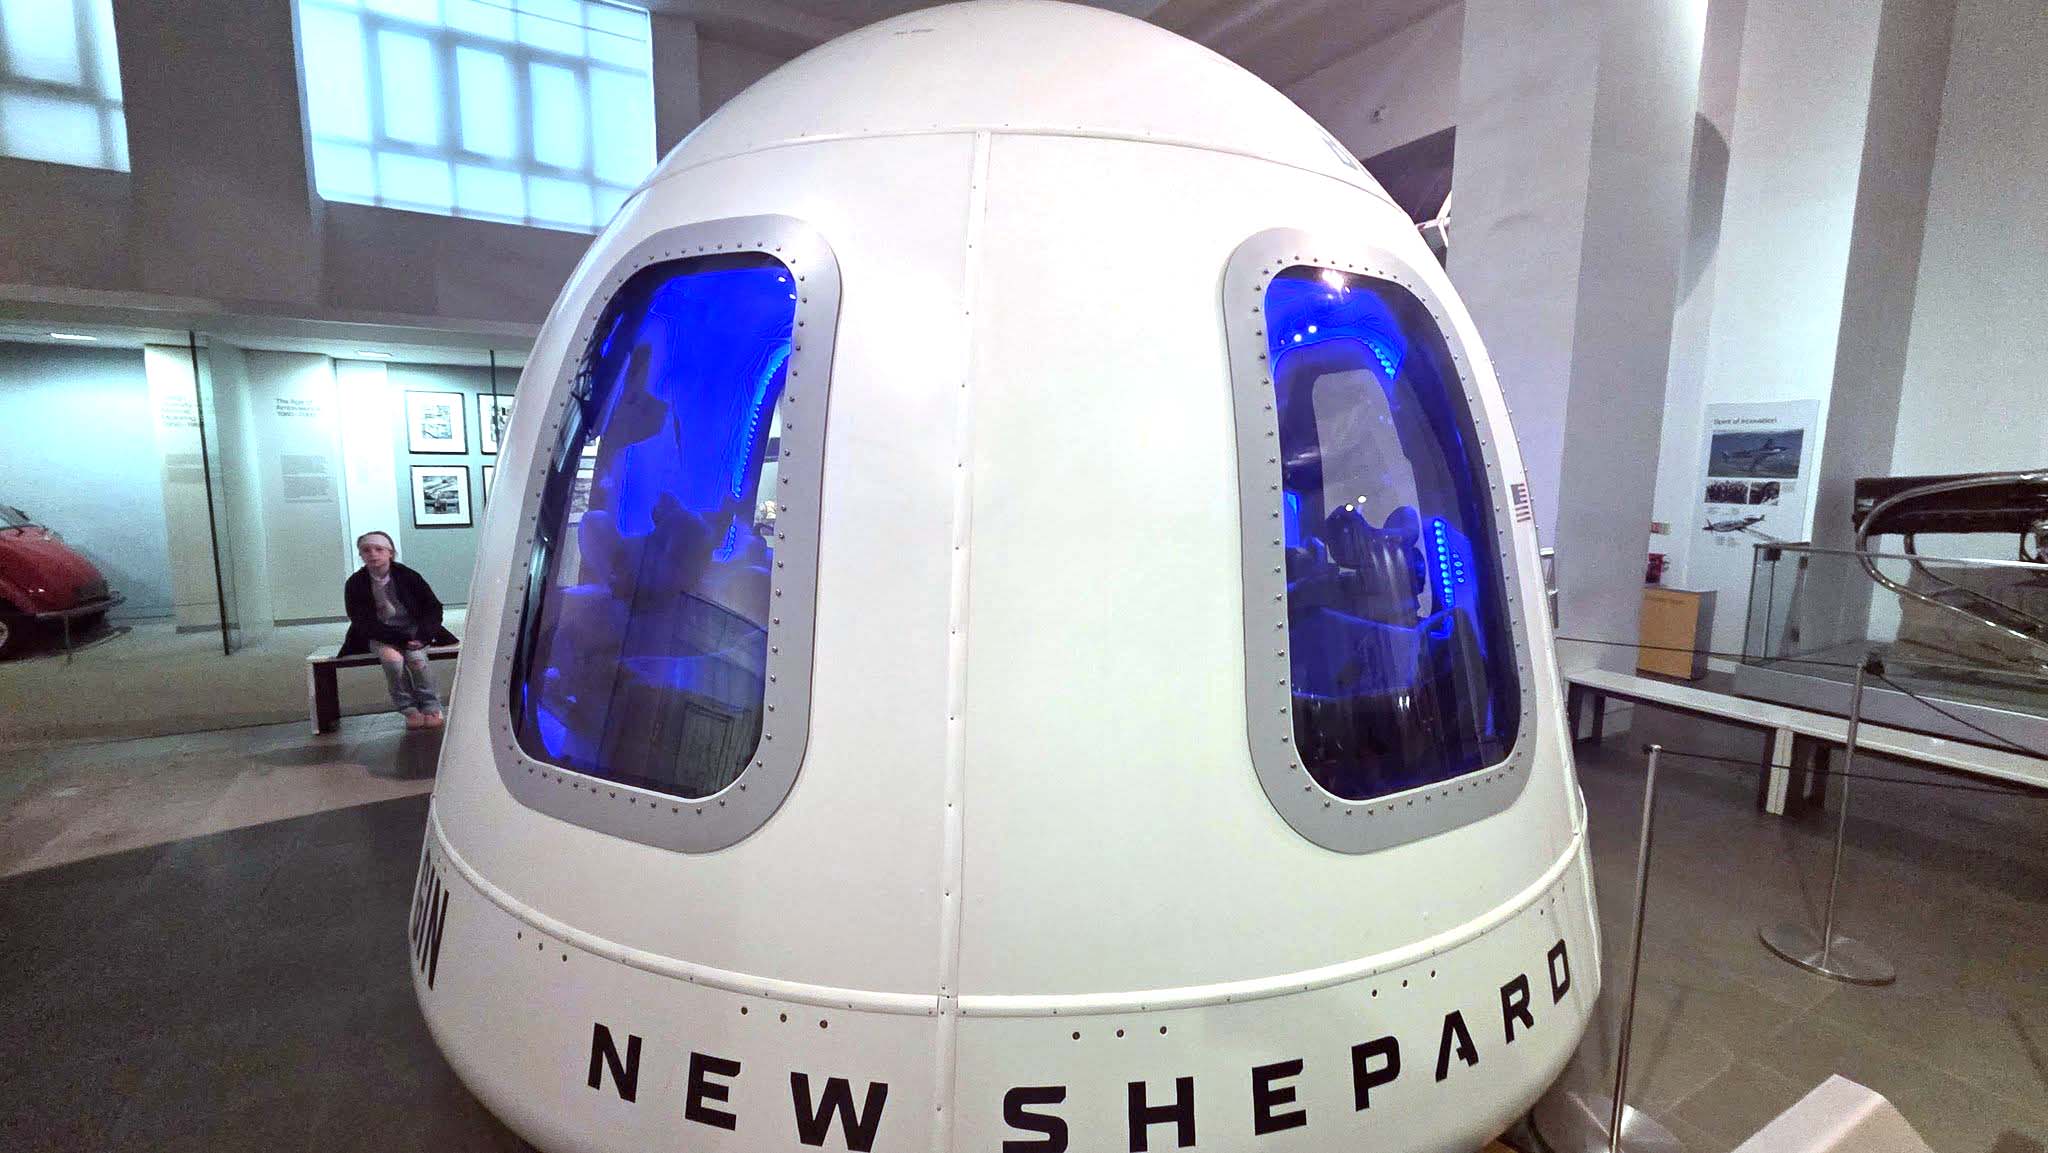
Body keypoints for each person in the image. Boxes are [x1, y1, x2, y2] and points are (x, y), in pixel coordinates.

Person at [341, 531, 459, 729]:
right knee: (392, 661)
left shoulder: (408, 576)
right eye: (366, 550)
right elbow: (361, 620)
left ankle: (431, 706)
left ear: (390, 553)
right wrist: (399, 639)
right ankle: (409, 709)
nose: (373, 554)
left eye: (379, 549)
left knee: (417, 660)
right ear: (361, 555)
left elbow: (433, 607)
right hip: (380, 634)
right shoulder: (355, 583)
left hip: (415, 631)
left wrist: (422, 636)